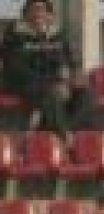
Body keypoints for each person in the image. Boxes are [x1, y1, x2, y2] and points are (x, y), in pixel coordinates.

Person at [0, 0, 94, 135]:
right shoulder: (15, 34)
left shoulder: (57, 34)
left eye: (42, 10)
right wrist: (54, 82)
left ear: (49, 14)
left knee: (87, 95)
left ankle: (57, 131)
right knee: (52, 95)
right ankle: (64, 136)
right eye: (34, 10)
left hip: (56, 83)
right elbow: (17, 69)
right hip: (23, 84)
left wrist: (73, 77)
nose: (39, 15)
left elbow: (71, 60)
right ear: (25, 14)